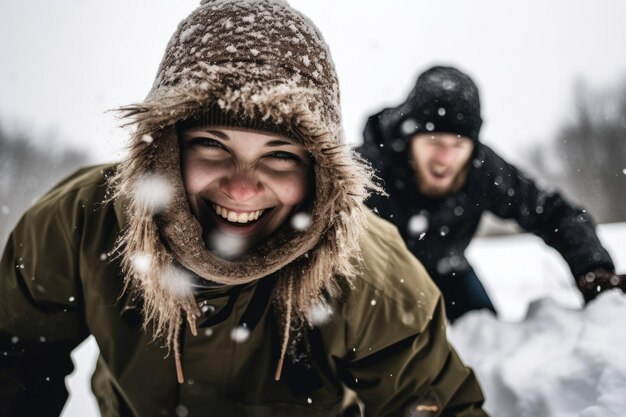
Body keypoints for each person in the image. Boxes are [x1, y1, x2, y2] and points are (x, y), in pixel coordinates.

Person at [0, 3, 489, 416]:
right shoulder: (83, 222)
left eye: (279, 156)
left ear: (318, 174)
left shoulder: (366, 270)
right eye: (212, 144)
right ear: (167, 150)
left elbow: (433, 403)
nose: (240, 188)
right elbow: (15, 357)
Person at [356, 65, 622, 323]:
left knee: (485, 339)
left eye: (458, 145)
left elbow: (553, 212)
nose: (445, 159)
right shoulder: (363, 173)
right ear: (410, 138)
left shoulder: (483, 170)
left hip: (447, 270)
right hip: (374, 283)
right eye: (434, 143)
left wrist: (592, 269)